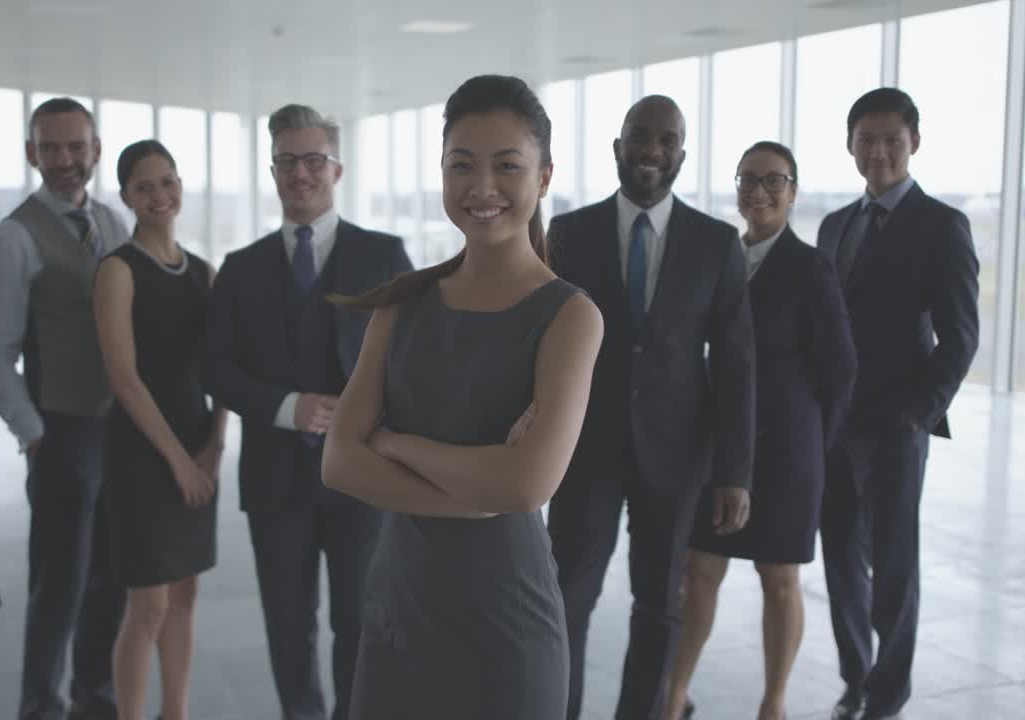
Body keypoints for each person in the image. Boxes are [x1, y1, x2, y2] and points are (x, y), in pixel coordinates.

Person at [322, 73, 603, 720]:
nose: (482, 188)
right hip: (398, 618)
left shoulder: (569, 316)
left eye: (507, 166)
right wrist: (477, 490)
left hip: (507, 629)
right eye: (462, 165)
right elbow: (338, 463)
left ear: (543, 176)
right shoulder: (402, 305)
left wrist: (392, 443)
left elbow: (526, 486)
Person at [546, 94, 757, 720]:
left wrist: (734, 473)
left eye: (666, 140)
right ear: (618, 147)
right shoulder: (569, 233)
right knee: (567, 599)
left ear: (682, 155)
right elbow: (541, 340)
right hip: (584, 450)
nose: (651, 151)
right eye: (640, 136)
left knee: (661, 604)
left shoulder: (717, 244)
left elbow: (738, 363)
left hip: (677, 456)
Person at [209, 104, 412, 720]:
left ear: (337, 168)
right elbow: (212, 371)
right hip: (276, 484)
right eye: (288, 162)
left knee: (360, 625)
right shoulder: (240, 271)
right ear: (273, 172)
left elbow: (413, 360)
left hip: (362, 479)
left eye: (313, 160)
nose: (301, 173)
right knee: (288, 628)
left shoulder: (385, 255)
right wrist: (287, 407)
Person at [662, 141, 857, 720]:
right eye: (747, 179)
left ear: (793, 192)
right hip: (718, 440)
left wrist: (813, 446)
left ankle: (773, 703)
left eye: (774, 180)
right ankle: (674, 693)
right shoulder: (721, 254)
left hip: (788, 448)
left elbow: (841, 368)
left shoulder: (810, 266)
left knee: (778, 578)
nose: (758, 190)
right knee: (700, 569)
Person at [819, 88, 979, 720]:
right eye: (867, 139)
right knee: (840, 565)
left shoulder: (942, 225)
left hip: (895, 426)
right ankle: (857, 677)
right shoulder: (836, 225)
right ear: (850, 144)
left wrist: (917, 413)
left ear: (914, 142)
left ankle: (888, 693)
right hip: (835, 425)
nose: (878, 151)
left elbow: (961, 334)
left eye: (891, 139)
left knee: (891, 567)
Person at [0, 97, 129, 720]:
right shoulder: (10, 238)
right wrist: (34, 434)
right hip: (61, 432)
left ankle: (97, 700)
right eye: (52, 148)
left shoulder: (114, 222)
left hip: (119, 431)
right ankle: (41, 706)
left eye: (77, 147)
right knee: (59, 584)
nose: (66, 160)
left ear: (95, 149)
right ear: (32, 153)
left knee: (110, 578)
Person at [94, 139, 227, 720]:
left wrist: (215, 445)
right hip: (143, 454)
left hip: (198, 443)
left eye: (167, 182)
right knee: (146, 601)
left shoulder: (204, 272)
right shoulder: (117, 271)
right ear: (126, 196)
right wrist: (178, 460)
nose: (159, 195)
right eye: (144, 186)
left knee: (185, 594)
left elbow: (222, 368)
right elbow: (123, 378)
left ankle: (175, 710)